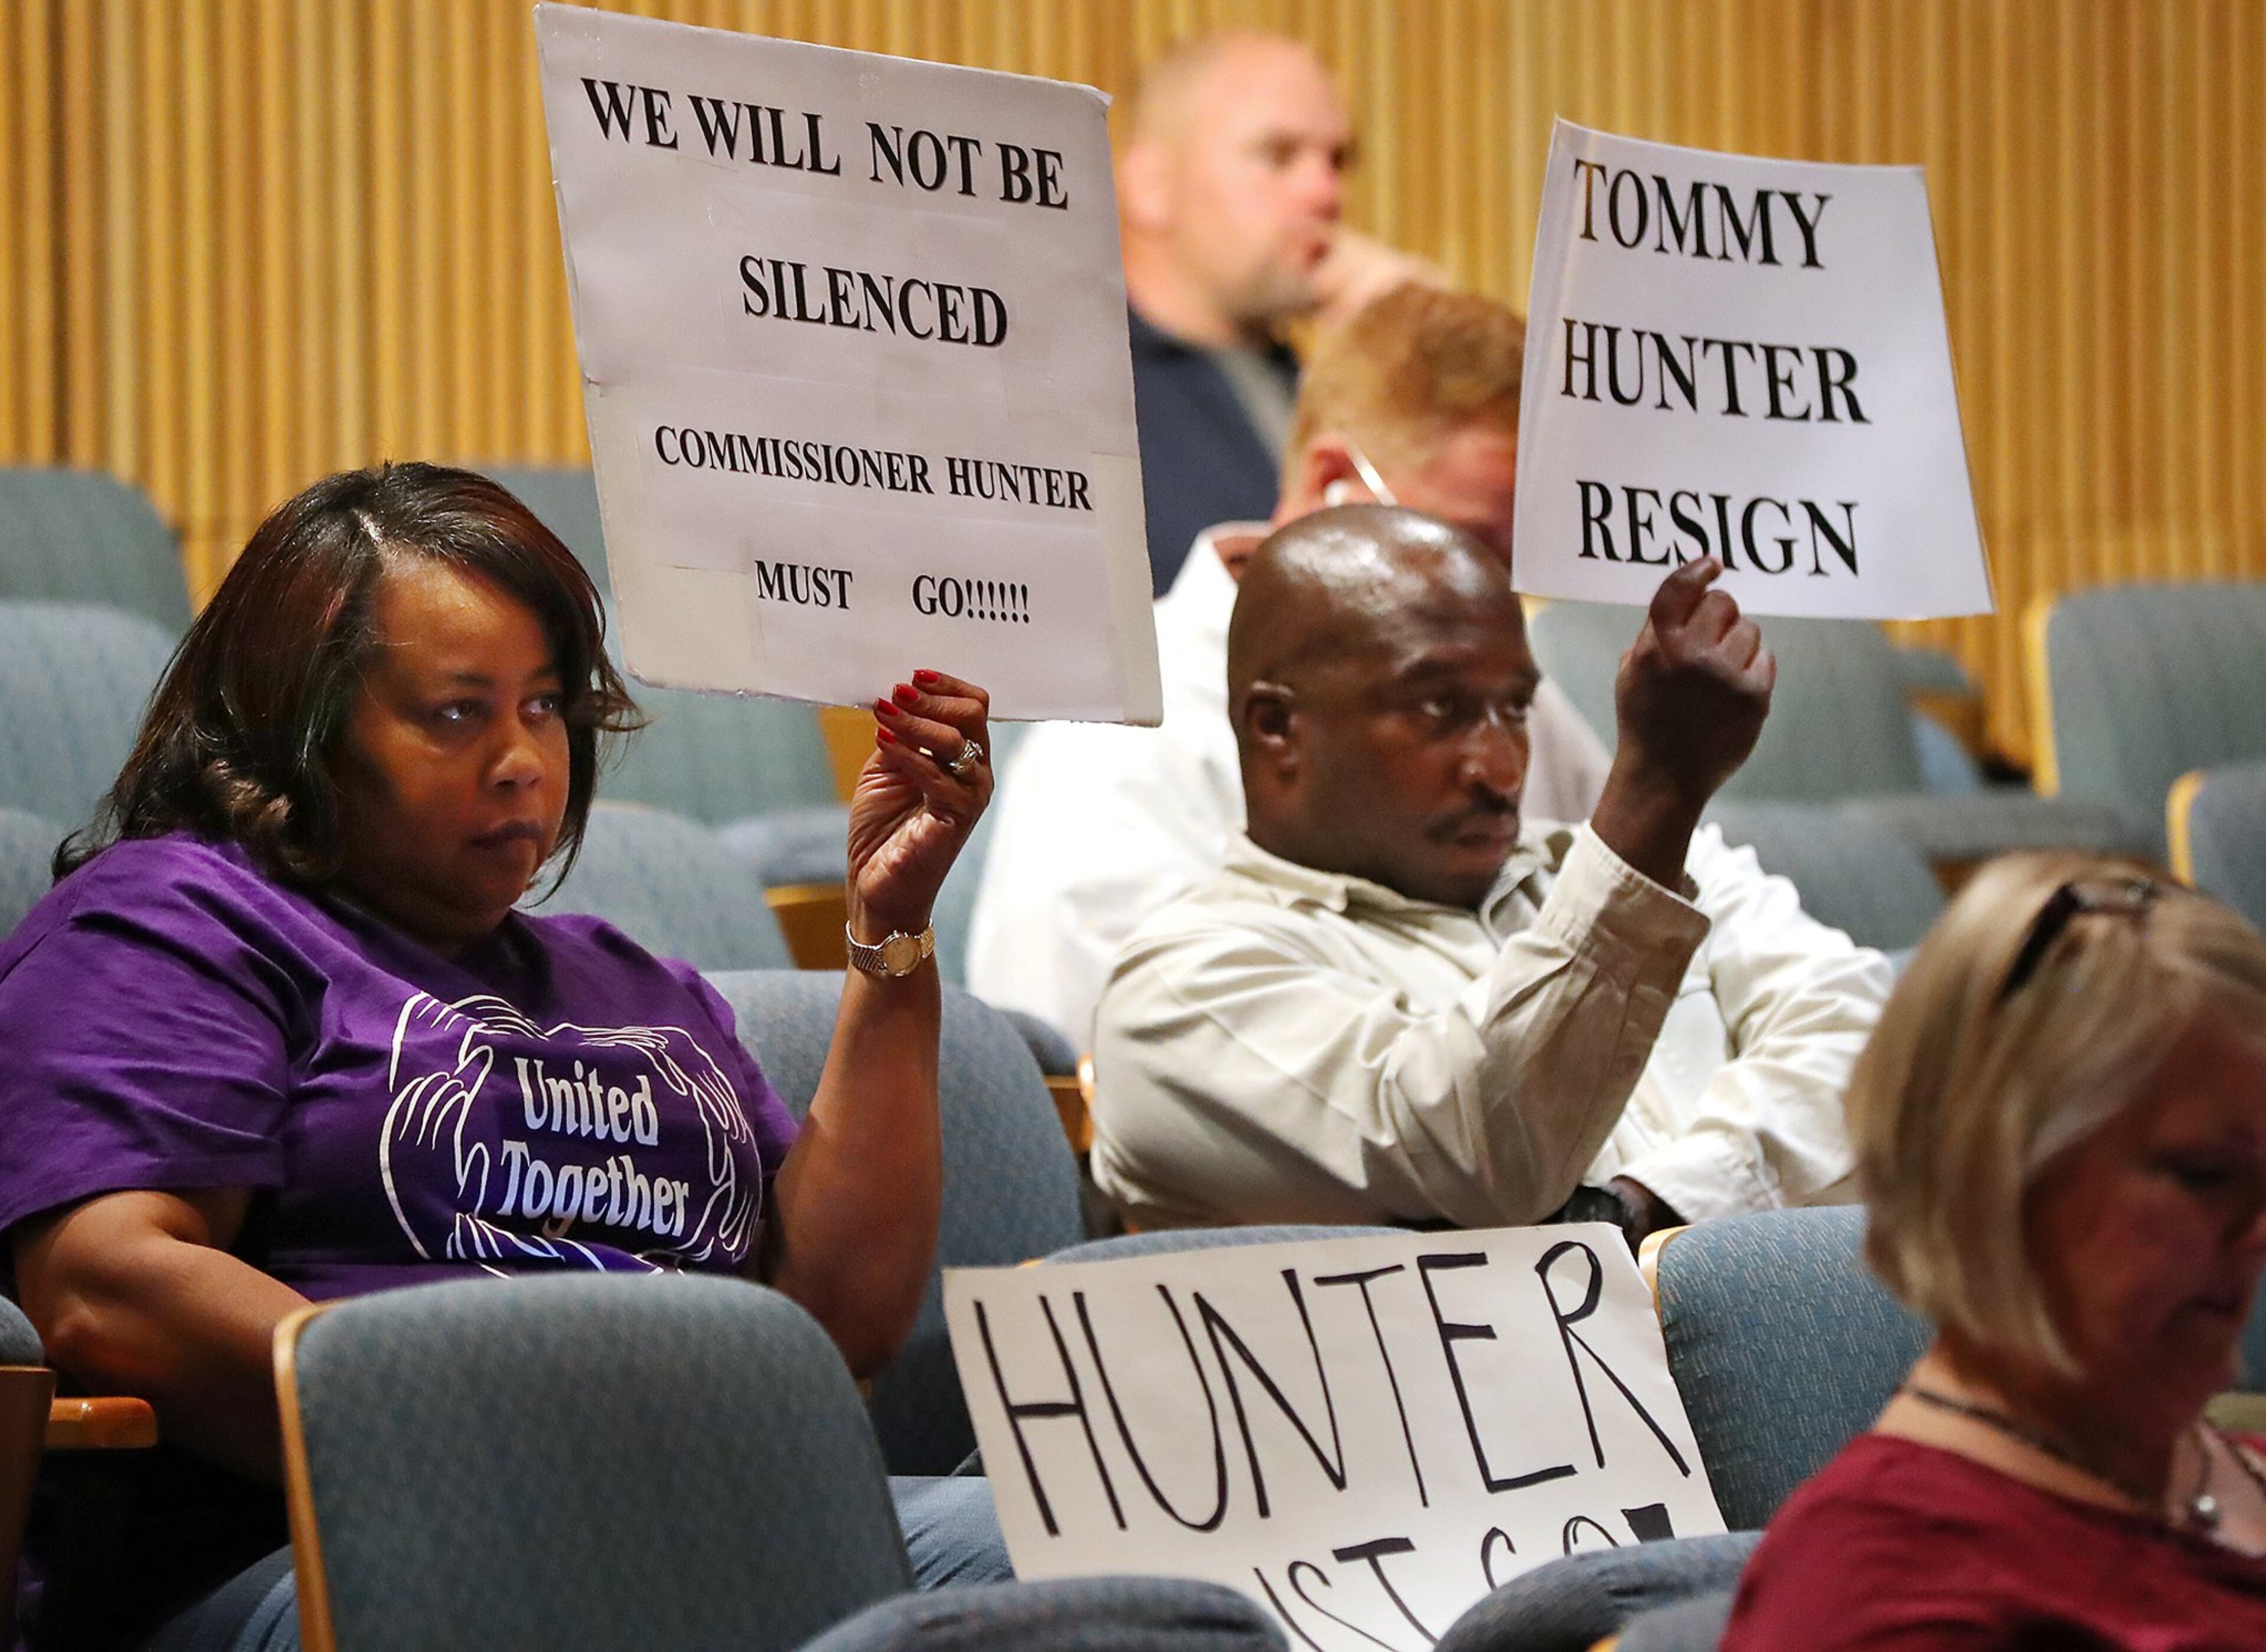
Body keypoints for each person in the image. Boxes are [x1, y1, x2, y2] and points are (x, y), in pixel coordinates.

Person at [0, 464, 1003, 1651]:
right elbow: (108, 1286)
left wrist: (890, 926)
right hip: (348, 1540)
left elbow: (835, 1319)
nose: (526, 758)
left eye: (545, 706)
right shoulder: (180, 923)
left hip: (700, 1509)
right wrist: (518, 1453)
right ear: (304, 729)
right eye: (458, 711)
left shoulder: (633, 985)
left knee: (1049, 1550)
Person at [1089, 507, 1890, 1238]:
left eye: (1515, 710)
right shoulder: (1183, 989)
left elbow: (1884, 1056)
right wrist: (1653, 793)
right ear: (1278, 729)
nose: (1499, 768)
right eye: (1441, 710)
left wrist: (1650, 1207)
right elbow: (1478, 1155)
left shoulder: (1649, 865)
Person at [970, 285, 1609, 1051]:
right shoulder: (1122, 735)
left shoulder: (1518, 708)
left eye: (1515, 560)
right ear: (1333, 481)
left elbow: (1674, 941)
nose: (1495, 593)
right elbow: (1098, 1074)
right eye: (1469, 545)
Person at [1724, 855, 2266, 1648]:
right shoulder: (1879, 1595)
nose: (2260, 1231)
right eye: (2206, 1175)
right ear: (1998, 1173)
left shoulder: (2227, 1468)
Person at [1116, 30, 1430, 588]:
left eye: (1338, 160)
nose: (1326, 192)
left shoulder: (1320, 386)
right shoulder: (1086, 394)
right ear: (1151, 185)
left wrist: (1413, 365)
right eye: (1278, 155)